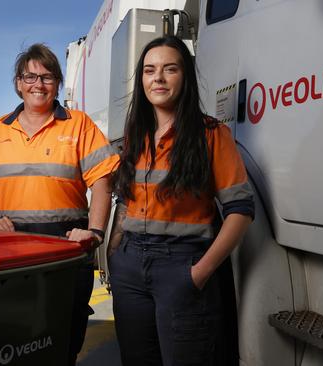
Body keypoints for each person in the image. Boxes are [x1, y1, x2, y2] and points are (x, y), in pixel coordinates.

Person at [0, 43, 119, 365]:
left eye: (46, 77)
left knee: (62, 336)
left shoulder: (78, 124)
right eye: (30, 77)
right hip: (9, 250)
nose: (38, 85)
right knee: (9, 338)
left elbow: (102, 181)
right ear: (18, 83)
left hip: (65, 249)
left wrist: (95, 232)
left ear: (57, 83)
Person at [109, 36, 254, 366]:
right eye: (149, 70)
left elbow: (241, 210)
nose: (157, 77)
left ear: (184, 76)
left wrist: (200, 273)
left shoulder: (211, 134)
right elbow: (128, 201)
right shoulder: (137, 136)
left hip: (181, 265)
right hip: (129, 267)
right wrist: (116, 251)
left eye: (169, 69)